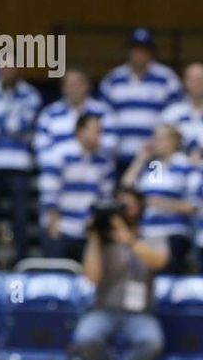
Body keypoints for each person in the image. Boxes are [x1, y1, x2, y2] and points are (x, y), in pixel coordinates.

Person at [71, 188, 168, 360]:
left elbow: (158, 262)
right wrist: (94, 238)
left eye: (130, 204)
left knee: (152, 341)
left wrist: (128, 239)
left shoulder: (152, 234)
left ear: (141, 207)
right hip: (105, 309)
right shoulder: (103, 240)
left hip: (140, 313)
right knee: (86, 337)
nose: (126, 210)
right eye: (121, 205)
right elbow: (91, 277)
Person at [0, 58, 42, 267]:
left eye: (11, 66)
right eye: (3, 66)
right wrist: (10, 125)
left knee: (20, 216)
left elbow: (25, 122)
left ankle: (21, 260)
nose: (7, 70)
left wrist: (0, 123)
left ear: (18, 68)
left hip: (19, 163)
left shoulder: (30, 94)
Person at [100, 28, 182, 174]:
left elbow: (174, 116)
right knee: (123, 194)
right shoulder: (114, 79)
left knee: (154, 191)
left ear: (151, 52)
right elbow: (104, 117)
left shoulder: (166, 79)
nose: (139, 54)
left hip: (156, 157)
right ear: (129, 51)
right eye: (136, 49)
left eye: (144, 49)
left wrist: (161, 145)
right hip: (121, 156)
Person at [121, 124, 200, 275]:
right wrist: (139, 159)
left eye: (161, 139)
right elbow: (126, 187)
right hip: (147, 233)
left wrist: (161, 203)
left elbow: (193, 206)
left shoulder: (186, 165)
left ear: (174, 142)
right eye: (155, 139)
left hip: (173, 233)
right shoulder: (152, 165)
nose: (156, 143)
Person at [38, 113, 116, 262]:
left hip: (87, 230)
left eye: (101, 131)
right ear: (80, 131)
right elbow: (49, 192)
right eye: (95, 131)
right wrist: (53, 225)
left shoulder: (104, 161)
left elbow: (105, 197)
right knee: (58, 278)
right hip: (61, 228)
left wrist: (95, 227)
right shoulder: (59, 154)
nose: (99, 136)